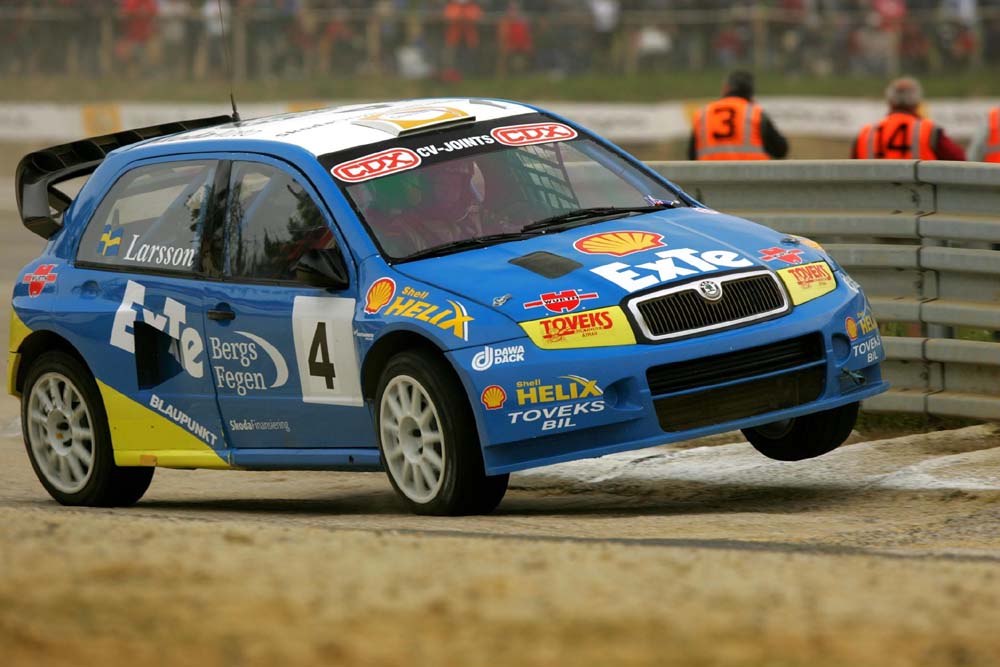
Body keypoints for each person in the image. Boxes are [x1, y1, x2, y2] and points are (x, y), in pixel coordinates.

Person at [853, 77, 965, 160]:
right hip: (917, 187)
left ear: (890, 101)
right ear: (917, 102)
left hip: (875, 186)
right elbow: (959, 160)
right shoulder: (929, 130)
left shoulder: (866, 133)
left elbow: (851, 171)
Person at [688, 70, 788, 161]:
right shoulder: (756, 114)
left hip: (710, 175)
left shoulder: (703, 114)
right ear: (751, 92)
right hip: (750, 174)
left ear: (726, 88)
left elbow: (691, 155)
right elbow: (781, 150)